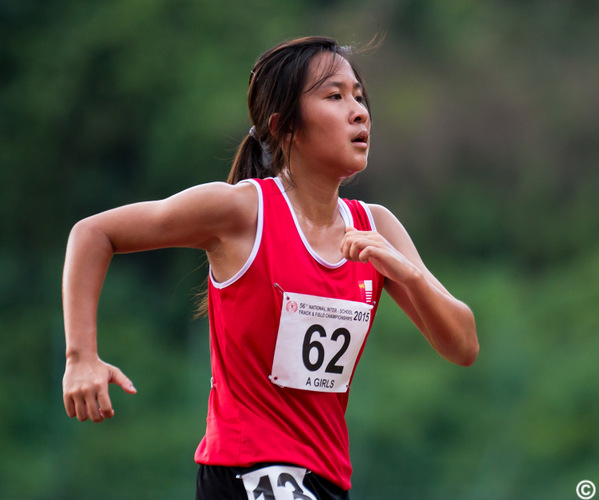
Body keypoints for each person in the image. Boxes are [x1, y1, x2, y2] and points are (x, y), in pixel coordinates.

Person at [62, 36, 479, 500]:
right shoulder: (242, 213)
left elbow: (462, 346)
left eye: (360, 97)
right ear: (286, 128)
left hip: (327, 480)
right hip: (247, 473)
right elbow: (93, 233)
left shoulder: (376, 228)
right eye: (335, 96)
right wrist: (81, 356)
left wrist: (410, 275)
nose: (359, 112)